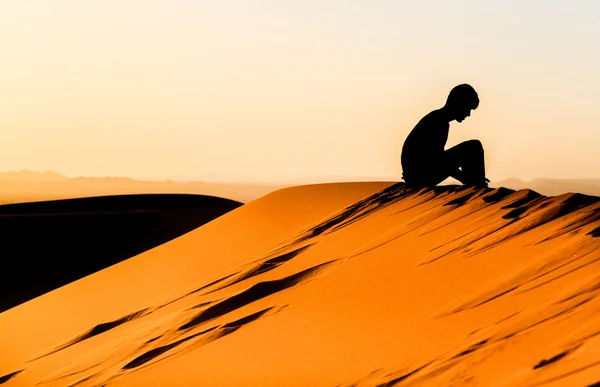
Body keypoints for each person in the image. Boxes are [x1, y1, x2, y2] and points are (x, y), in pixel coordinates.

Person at [401, 83, 489, 188]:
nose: (468, 114)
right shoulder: (438, 121)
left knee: (471, 147)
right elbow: (437, 160)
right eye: (467, 108)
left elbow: (438, 160)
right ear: (458, 103)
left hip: (417, 176)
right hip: (419, 177)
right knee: (473, 146)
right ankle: (477, 186)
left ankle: (475, 184)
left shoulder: (438, 119)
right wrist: (464, 177)